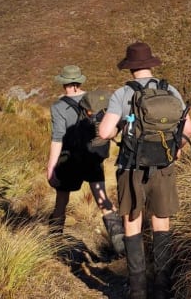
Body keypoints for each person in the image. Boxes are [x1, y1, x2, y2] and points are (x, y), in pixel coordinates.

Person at [98, 42, 191, 299]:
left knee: (132, 222)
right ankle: (163, 287)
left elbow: (105, 132)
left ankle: (138, 290)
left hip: (132, 167)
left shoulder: (122, 94)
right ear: (151, 64)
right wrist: (175, 148)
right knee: (161, 221)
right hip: (164, 165)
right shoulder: (169, 89)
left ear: (130, 68)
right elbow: (188, 130)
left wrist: (119, 127)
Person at [46, 65, 125, 255]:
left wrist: (51, 167)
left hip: (69, 161)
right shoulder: (96, 101)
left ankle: (54, 248)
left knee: (61, 202)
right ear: (79, 82)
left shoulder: (58, 107)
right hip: (92, 158)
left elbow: (58, 138)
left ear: (64, 83)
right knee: (103, 200)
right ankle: (122, 249)